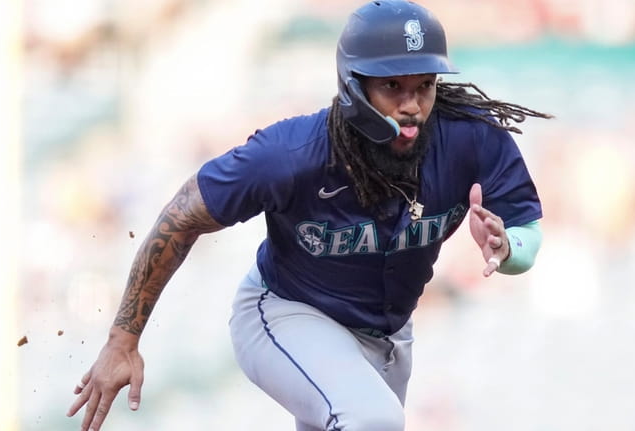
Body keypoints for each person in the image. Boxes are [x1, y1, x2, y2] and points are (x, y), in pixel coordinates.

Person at [67, 1, 550, 430]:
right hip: (287, 312)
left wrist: (508, 249)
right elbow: (181, 216)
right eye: (392, 86)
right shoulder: (290, 153)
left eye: (424, 85)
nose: (412, 105)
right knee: (373, 421)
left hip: (389, 334)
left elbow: (524, 232)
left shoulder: (470, 139)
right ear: (353, 86)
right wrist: (123, 338)